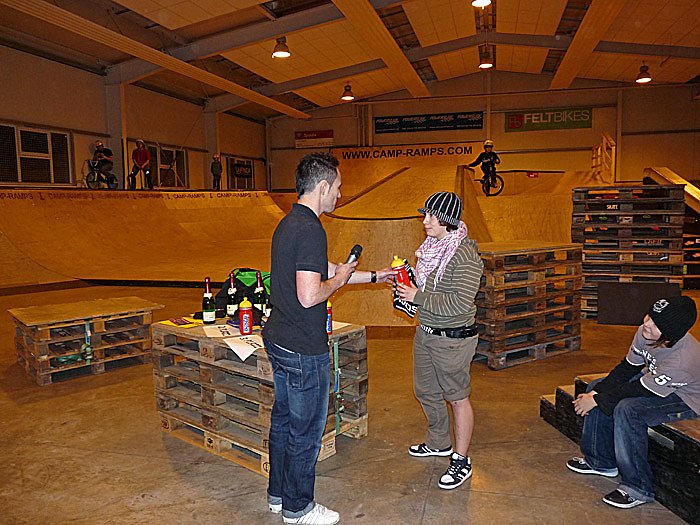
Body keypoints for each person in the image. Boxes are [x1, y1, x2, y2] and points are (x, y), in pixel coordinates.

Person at [262, 152, 394, 525]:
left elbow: (327, 271)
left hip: (279, 339)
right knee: (305, 431)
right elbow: (310, 294)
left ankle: (278, 495)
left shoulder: (289, 223)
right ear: (322, 187)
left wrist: (374, 276)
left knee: (284, 422)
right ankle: (298, 508)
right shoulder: (311, 230)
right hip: (303, 349)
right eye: (337, 187)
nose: (339, 194)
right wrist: (335, 282)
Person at [567, 296, 700, 509]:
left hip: (688, 398)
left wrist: (597, 400)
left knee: (628, 409)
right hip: (654, 380)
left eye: (656, 323)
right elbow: (628, 368)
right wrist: (597, 393)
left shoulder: (683, 358)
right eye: (649, 316)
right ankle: (601, 462)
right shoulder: (645, 333)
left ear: (670, 334)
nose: (646, 323)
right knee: (596, 387)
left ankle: (638, 487)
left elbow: (639, 390)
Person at [395, 191, 484, 490]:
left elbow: (459, 303)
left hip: (452, 340)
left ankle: (461, 460)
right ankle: (438, 442)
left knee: (457, 398)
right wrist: (406, 281)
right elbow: (430, 287)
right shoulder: (433, 249)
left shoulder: (465, 256)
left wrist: (418, 296)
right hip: (426, 333)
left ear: (446, 219)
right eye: (426, 215)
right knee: (427, 392)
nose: (425, 221)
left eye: (431, 216)